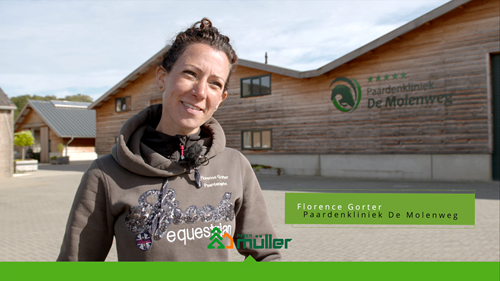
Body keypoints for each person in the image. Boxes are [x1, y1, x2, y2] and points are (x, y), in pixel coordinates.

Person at [57, 18, 281, 262]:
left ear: (221, 98)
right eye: (190, 73)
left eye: (214, 84)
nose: (200, 92)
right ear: (162, 77)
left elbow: (267, 256)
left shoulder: (235, 166)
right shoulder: (104, 174)